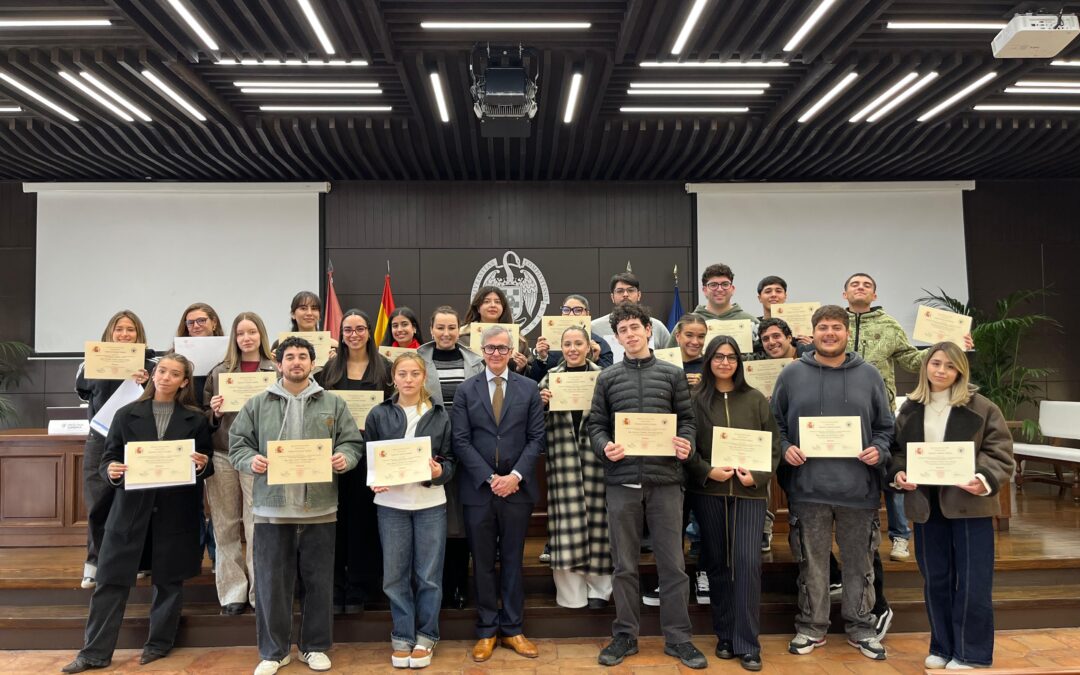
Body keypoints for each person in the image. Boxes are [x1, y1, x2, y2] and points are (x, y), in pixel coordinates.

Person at [62, 353, 212, 673]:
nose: (165, 377)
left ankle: (158, 644)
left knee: (169, 582)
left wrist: (202, 465)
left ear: (185, 382)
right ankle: (94, 652)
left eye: (174, 374)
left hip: (175, 512)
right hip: (130, 510)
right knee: (110, 581)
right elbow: (109, 459)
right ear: (153, 374)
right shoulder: (126, 413)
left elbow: (206, 462)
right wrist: (113, 471)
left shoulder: (195, 419)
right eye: (161, 371)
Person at [229, 336, 364, 675]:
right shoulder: (257, 404)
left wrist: (343, 459)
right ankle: (274, 652)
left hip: (320, 508)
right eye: (289, 357)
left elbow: (352, 443)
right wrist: (252, 461)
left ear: (313, 363)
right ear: (279, 364)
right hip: (272, 510)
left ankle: (314, 647)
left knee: (319, 582)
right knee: (273, 584)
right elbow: (238, 445)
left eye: (303, 357)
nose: (296, 362)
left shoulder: (333, 404)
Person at [587, 302, 707, 670]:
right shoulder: (607, 378)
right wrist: (605, 447)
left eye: (635, 327)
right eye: (623, 331)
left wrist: (685, 442)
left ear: (646, 330)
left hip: (666, 481)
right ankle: (625, 634)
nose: (630, 335)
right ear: (618, 336)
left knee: (673, 564)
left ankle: (679, 638)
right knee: (624, 565)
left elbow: (687, 421)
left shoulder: (671, 375)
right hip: (621, 481)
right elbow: (595, 425)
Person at [772, 305, 894, 661]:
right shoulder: (792, 374)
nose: (829, 333)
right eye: (823, 327)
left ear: (846, 333)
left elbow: (886, 426)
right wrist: (785, 447)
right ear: (812, 333)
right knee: (812, 564)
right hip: (808, 489)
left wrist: (879, 448)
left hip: (859, 490)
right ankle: (811, 626)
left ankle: (861, 626)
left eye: (836, 327)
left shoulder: (869, 374)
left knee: (861, 564)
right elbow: (775, 422)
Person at [889, 342, 1014, 670]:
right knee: (936, 580)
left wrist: (983, 477)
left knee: (973, 581)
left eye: (949, 366)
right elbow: (897, 452)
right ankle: (943, 647)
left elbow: (1000, 451)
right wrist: (899, 472)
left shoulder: (982, 407)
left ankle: (971, 653)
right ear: (925, 367)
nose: (941, 371)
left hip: (969, 505)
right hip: (926, 507)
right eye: (936, 363)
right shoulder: (910, 408)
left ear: (960, 371)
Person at [686, 336, 781, 672]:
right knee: (717, 564)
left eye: (731, 357)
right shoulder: (694, 399)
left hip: (749, 494)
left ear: (739, 362)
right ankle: (724, 634)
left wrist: (756, 476)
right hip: (710, 493)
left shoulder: (755, 399)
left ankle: (747, 642)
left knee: (745, 563)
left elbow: (773, 446)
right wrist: (706, 470)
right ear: (708, 360)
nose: (725, 363)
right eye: (718, 357)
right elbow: (687, 447)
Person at [451, 325, 545, 663]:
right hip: (479, 490)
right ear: (481, 350)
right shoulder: (466, 390)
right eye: (489, 348)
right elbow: (460, 440)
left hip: (517, 491)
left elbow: (536, 439)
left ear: (512, 351)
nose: (495, 354)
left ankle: (514, 628)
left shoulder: (529, 388)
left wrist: (515, 476)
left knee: (513, 561)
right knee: (483, 564)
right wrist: (491, 478)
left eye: (502, 349)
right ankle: (487, 630)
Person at [364, 353, 455, 669]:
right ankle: (402, 634)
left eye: (414, 373)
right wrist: (374, 479)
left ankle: (427, 635)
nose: (408, 379)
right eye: (402, 373)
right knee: (395, 576)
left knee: (428, 576)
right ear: (393, 377)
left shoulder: (441, 415)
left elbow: (450, 462)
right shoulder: (379, 414)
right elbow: (370, 458)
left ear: (423, 377)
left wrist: (437, 472)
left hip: (430, 505)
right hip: (391, 506)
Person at [842, 272, 922, 564]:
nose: (860, 288)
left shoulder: (889, 325)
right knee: (854, 476)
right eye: (854, 284)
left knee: (891, 473)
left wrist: (943, 346)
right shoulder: (835, 324)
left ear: (874, 295)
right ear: (844, 293)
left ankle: (900, 536)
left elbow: (911, 360)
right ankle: (860, 538)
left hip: (881, 412)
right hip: (843, 415)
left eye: (867, 285)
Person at [316, 310, 393, 614]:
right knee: (334, 523)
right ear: (341, 333)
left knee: (364, 524)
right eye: (348, 329)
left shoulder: (385, 370)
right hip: (335, 457)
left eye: (360, 329)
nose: (354, 334)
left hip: (371, 456)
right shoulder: (327, 372)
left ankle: (361, 589)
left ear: (369, 332)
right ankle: (335, 590)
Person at [74, 310, 155, 590]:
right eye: (118, 329)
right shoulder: (90, 362)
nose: (124, 335)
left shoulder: (151, 363)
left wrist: (146, 380)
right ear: (109, 333)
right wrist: (102, 369)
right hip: (100, 437)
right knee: (98, 502)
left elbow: (161, 396)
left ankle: (135, 562)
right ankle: (94, 564)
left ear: (138, 334)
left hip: (137, 439)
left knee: (136, 502)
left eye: (130, 330)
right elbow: (83, 390)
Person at [204, 312, 276, 615]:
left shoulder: (275, 370)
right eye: (241, 333)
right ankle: (232, 591)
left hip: (258, 457)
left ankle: (261, 592)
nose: (247, 338)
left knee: (257, 525)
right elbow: (204, 418)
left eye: (252, 332)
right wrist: (216, 413)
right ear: (234, 338)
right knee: (225, 525)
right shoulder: (220, 372)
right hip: (222, 454)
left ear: (261, 335)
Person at [537, 326, 612, 609]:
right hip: (563, 464)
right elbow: (535, 427)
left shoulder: (603, 378)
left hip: (595, 464)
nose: (572, 349)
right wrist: (541, 405)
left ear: (589, 346)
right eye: (567, 344)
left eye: (577, 343)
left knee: (598, 525)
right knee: (565, 528)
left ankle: (600, 590)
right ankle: (571, 595)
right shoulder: (549, 379)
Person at [416, 306, 484, 610]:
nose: (446, 333)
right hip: (429, 448)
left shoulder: (475, 361)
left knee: (461, 520)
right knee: (434, 519)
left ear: (460, 329)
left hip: (467, 446)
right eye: (440, 327)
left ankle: (458, 585)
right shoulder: (416, 359)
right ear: (431, 329)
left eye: (452, 328)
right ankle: (434, 587)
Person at [527, 294, 614, 382]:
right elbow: (536, 381)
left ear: (587, 314)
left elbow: (610, 379)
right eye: (566, 310)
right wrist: (542, 358)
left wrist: (596, 360)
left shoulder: (600, 344)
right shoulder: (549, 344)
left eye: (578, 310)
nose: (571, 314)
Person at [592, 272, 672, 351]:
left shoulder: (657, 327)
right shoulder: (594, 327)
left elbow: (671, 360)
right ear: (612, 297)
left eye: (630, 290)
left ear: (639, 295)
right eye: (620, 291)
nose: (625, 294)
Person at [460, 286, 530, 373]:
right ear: (478, 308)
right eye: (486, 301)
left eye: (497, 302)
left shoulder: (517, 340)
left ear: (503, 308)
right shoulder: (462, 338)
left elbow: (531, 372)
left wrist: (521, 368)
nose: (493, 305)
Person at [174, 301, 224, 405]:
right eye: (190, 322)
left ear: (214, 322)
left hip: (219, 410)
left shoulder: (230, 350)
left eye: (201, 320)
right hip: (186, 410)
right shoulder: (174, 354)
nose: (196, 326)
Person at [672, 314, 708, 387]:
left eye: (701, 336)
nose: (695, 342)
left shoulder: (710, 366)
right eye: (689, 335)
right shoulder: (666, 364)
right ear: (678, 336)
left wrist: (702, 387)